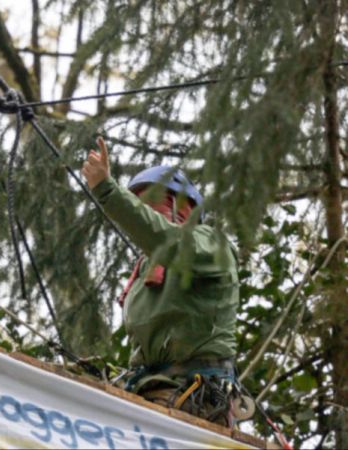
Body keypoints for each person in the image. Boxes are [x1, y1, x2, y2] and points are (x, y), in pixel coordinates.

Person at [82, 137, 241, 426]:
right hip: (148, 391)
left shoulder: (211, 246)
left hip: (193, 396)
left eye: (161, 203)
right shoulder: (145, 271)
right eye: (141, 205)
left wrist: (108, 191)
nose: (149, 212)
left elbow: (166, 238)